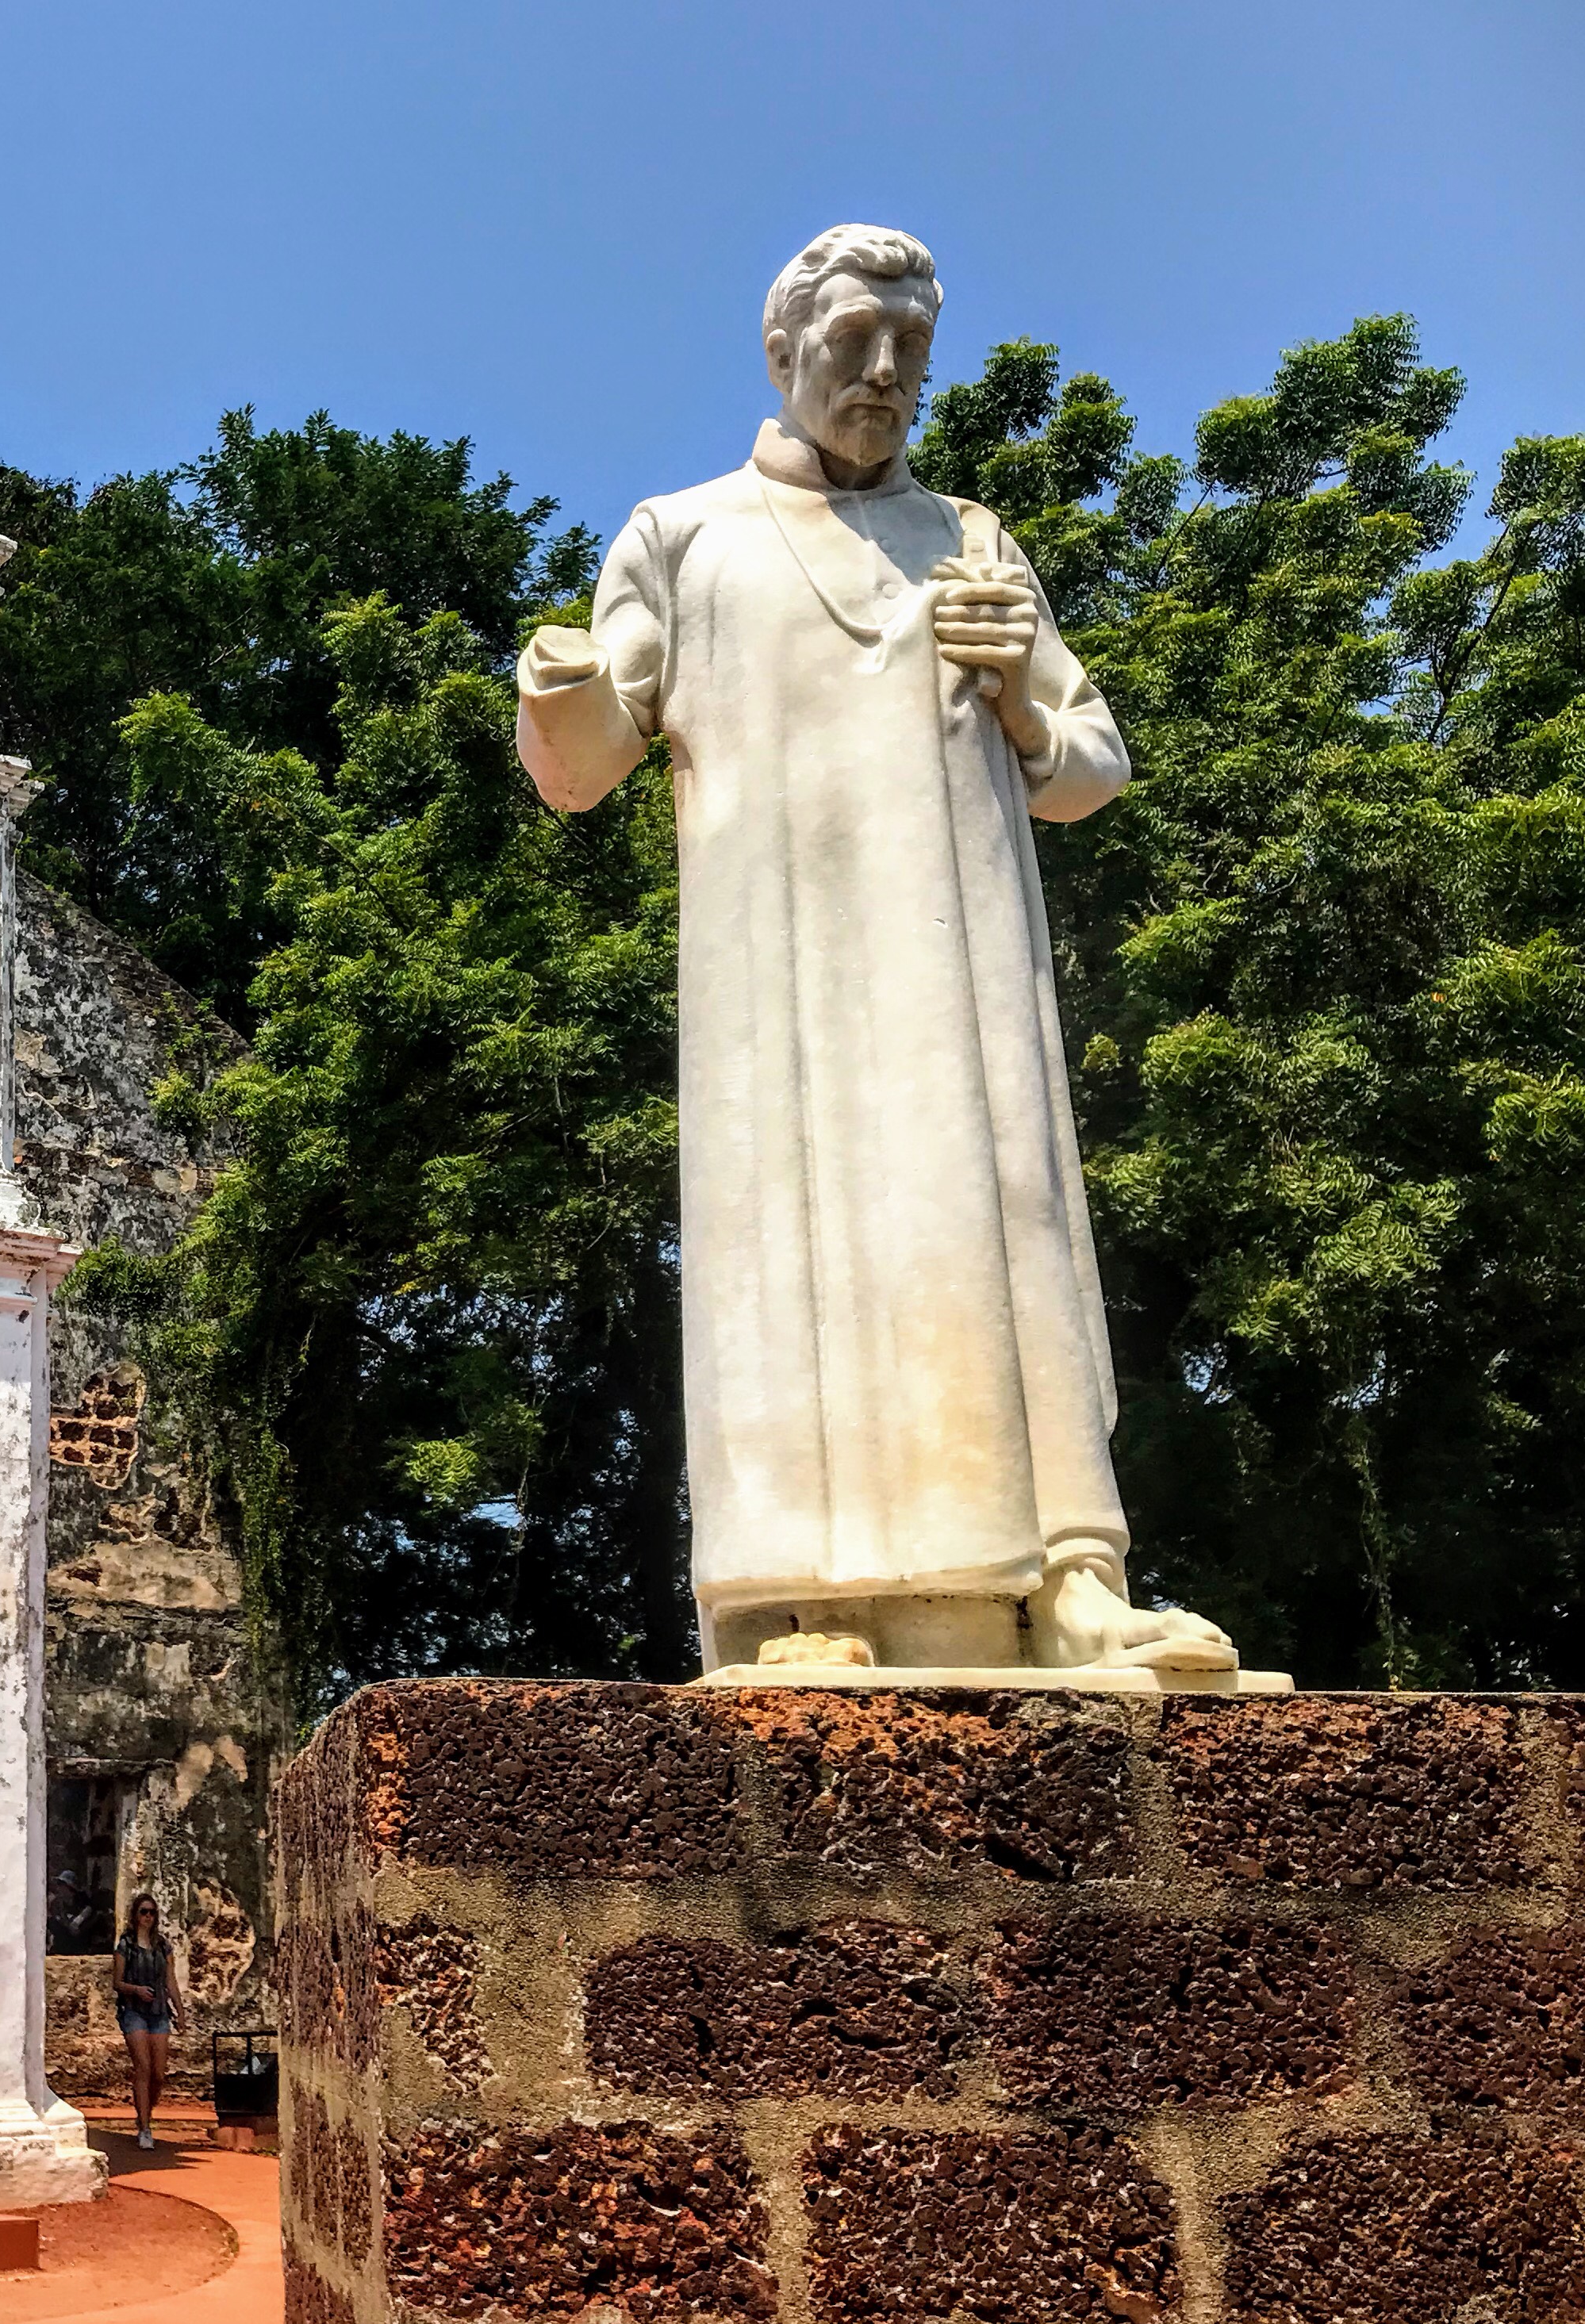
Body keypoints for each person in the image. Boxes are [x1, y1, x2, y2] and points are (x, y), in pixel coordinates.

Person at [513, 222, 1238, 1677]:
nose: (886, 373)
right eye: (856, 343)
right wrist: (561, 685)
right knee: (790, 1243)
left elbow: (1089, 757)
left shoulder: (970, 540)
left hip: (960, 960)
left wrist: (1016, 697)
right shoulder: (681, 533)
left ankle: (1071, 1580)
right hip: (775, 975)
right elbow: (582, 767)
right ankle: (802, 1597)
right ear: (785, 352)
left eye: (910, 349)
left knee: (1005, 1226)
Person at [111, 1893, 182, 2150]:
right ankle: (144, 2126)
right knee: (142, 2066)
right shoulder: (126, 1945)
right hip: (133, 2011)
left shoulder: (163, 1947)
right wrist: (136, 1990)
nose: (148, 1917)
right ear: (135, 1915)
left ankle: (145, 2113)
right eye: (143, 1912)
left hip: (159, 2012)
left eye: (152, 1912)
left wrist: (180, 2010)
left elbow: (170, 1980)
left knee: (158, 2074)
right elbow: (116, 1982)